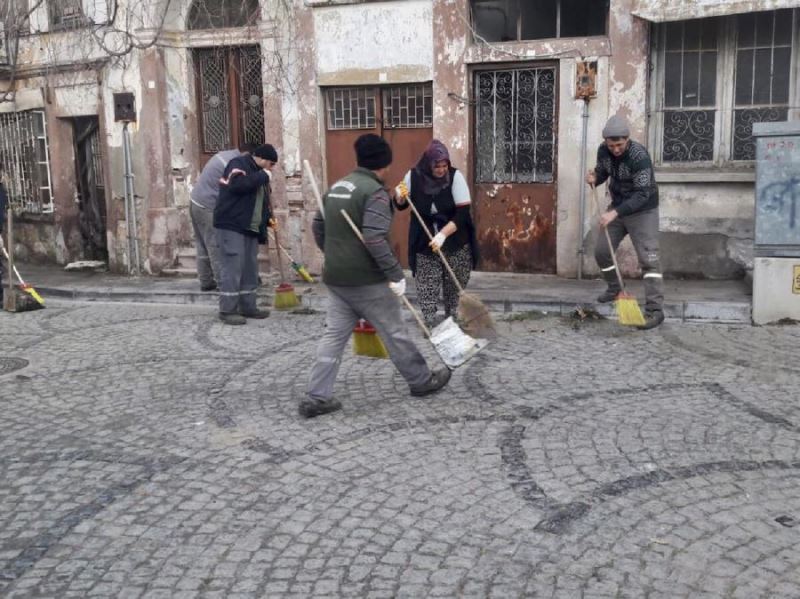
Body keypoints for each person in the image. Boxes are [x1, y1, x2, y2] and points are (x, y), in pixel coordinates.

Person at [301, 134, 451, 419]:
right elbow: (374, 237)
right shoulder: (374, 193)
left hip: (336, 278)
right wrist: (395, 274)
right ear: (386, 163)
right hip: (367, 280)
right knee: (394, 331)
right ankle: (421, 381)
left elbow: (319, 224)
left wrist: (333, 253)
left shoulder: (337, 188)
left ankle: (316, 396)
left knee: (333, 336)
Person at [586, 114, 665, 330]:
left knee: (649, 259)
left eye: (619, 145)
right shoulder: (604, 151)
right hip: (619, 208)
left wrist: (614, 213)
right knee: (602, 252)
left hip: (643, 210)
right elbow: (603, 172)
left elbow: (643, 194)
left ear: (627, 140)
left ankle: (655, 310)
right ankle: (614, 287)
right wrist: (595, 178)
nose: (616, 150)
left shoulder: (639, 156)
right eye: (612, 145)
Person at [391, 140, 479, 328]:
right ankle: (429, 320)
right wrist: (398, 194)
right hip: (424, 236)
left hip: (454, 236)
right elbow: (401, 204)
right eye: (436, 166)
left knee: (454, 279)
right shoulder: (413, 176)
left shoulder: (456, 177)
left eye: (444, 165)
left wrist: (442, 235)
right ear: (427, 164)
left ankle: (452, 316)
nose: (441, 170)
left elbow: (462, 213)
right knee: (426, 279)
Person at [213, 144, 278, 325]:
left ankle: (248, 307)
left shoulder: (260, 174)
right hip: (231, 224)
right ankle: (227, 310)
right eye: (271, 164)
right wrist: (262, 176)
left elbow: (261, 201)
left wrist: (268, 219)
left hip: (250, 227)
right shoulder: (238, 164)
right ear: (263, 159)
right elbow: (237, 185)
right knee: (232, 267)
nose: (271, 168)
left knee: (250, 267)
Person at [190, 143, 257, 291]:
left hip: (196, 201)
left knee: (203, 244)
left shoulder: (224, 155)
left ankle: (206, 281)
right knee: (215, 245)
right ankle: (224, 284)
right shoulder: (233, 164)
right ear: (247, 155)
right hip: (207, 205)